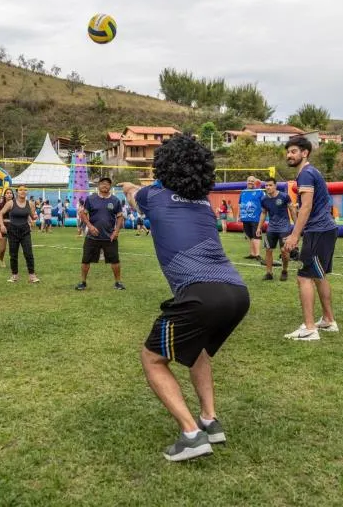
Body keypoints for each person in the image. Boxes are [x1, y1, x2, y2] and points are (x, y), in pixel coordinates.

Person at [120, 134, 249, 462]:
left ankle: (191, 435)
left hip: (201, 293)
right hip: (236, 293)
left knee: (152, 359)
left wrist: (128, 187)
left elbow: (134, 196)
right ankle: (209, 420)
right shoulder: (203, 201)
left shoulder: (153, 194)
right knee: (198, 350)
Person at [282, 136, 339, 341]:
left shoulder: (306, 174)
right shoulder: (311, 172)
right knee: (318, 275)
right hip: (326, 229)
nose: (289, 155)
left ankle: (309, 328)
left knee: (304, 276)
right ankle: (328, 320)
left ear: (305, 153)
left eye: (294, 151)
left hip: (318, 230)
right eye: (288, 152)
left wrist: (294, 235)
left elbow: (306, 207)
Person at [76, 176, 125, 291]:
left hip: (109, 237)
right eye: (102, 183)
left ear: (110, 186)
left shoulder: (115, 200)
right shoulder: (91, 199)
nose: (105, 185)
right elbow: (83, 214)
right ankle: (83, 282)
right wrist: (90, 226)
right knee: (85, 260)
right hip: (92, 236)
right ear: (98, 185)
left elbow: (120, 217)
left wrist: (116, 231)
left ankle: (118, 282)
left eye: (107, 183)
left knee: (115, 260)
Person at [0, 186, 40, 283]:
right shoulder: (11, 203)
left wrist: (35, 217)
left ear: (27, 192)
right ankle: (14, 275)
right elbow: (0, 213)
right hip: (13, 231)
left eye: (25, 190)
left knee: (28, 253)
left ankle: (32, 276)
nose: (23, 191)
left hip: (25, 231)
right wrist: (2, 225)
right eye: (20, 190)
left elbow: (32, 217)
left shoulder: (30, 203)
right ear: (17, 192)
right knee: (13, 254)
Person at [258, 178, 295, 281]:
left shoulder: (284, 196)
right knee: (268, 250)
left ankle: (284, 270)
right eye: (266, 185)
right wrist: (259, 227)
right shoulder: (264, 199)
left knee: (284, 251)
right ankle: (269, 273)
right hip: (271, 228)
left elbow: (292, 210)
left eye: (270, 185)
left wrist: (297, 225)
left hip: (284, 227)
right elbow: (263, 213)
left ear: (275, 186)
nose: (268, 187)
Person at [238, 176, 263, 260]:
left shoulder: (259, 191)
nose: (250, 182)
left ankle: (257, 255)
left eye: (252, 181)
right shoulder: (243, 192)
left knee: (256, 235)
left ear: (255, 182)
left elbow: (264, 202)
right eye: (249, 180)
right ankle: (252, 254)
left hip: (256, 218)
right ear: (246, 181)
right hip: (245, 218)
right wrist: (239, 215)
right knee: (250, 236)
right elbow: (240, 204)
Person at [0, 188, 14, 267]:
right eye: (7, 193)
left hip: (13, 228)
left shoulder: (15, 204)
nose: (9, 194)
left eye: (10, 193)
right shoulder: (0, 205)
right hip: (3, 227)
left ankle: (13, 262)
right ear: (5, 195)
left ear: (12, 195)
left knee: (13, 248)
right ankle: (1, 259)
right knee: (2, 249)